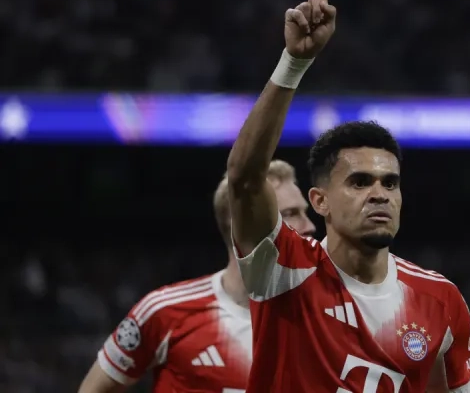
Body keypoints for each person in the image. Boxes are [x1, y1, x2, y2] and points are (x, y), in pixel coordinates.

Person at [226, 0, 470, 393]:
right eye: (360, 182)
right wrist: (294, 63)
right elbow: (245, 178)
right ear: (319, 200)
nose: (380, 194)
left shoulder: (442, 299)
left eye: (390, 183)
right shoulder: (284, 269)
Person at [78, 161, 315, 393]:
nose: (310, 226)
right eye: (292, 214)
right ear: (245, 225)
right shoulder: (165, 312)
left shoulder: (327, 319)